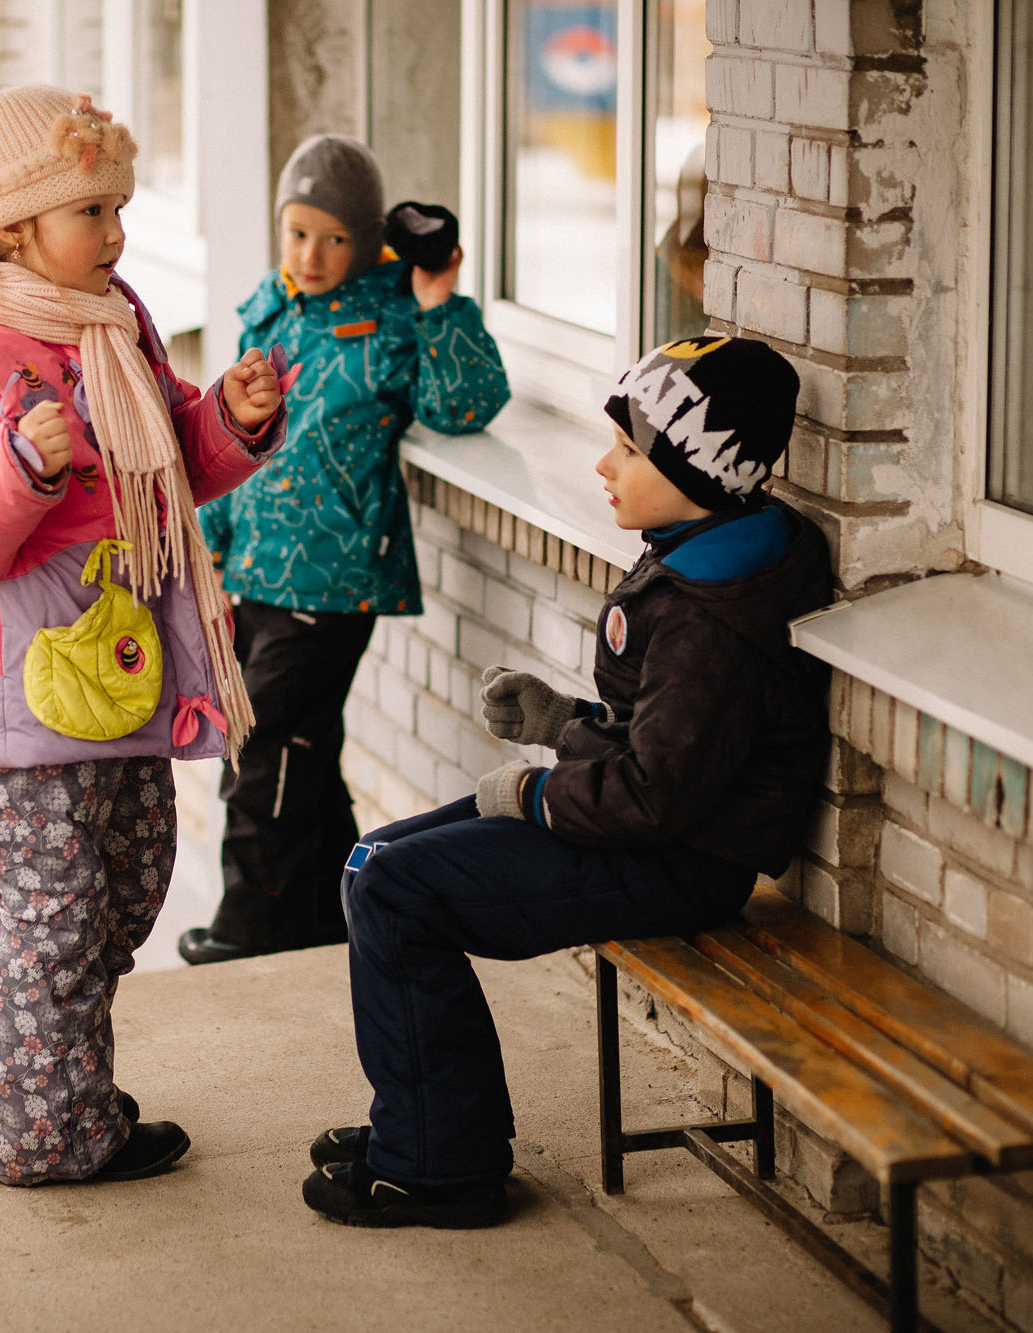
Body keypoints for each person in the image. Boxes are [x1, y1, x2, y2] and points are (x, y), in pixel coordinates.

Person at [301, 335, 832, 1228]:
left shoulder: (713, 617)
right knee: (372, 861)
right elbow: (660, 742)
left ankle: (439, 1167)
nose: (603, 464)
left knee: (395, 890)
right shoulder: (701, 545)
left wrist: (535, 792)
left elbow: (656, 794)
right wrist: (561, 723)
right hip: (654, 832)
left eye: (629, 448)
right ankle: (431, 1124)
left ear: (699, 468)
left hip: (681, 861)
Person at [0, 84, 295, 1187]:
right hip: (36, 680)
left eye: (119, 210)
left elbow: (169, 465)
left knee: (133, 881)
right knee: (57, 909)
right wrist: (17, 468)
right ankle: (56, 1129)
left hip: (126, 668)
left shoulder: (109, 328)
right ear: (13, 227)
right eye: (91, 213)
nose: (116, 235)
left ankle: (17, 1074)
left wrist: (229, 418)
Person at [177, 135, 511, 966]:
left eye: (332, 238)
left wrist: (438, 300)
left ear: (364, 240)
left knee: (264, 746)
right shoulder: (273, 309)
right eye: (297, 233)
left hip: (332, 580)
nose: (311, 255)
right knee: (303, 750)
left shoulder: (391, 316)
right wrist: (213, 547)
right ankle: (337, 910)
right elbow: (237, 441)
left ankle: (250, 926)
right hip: (255, 569)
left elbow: (464, 403)